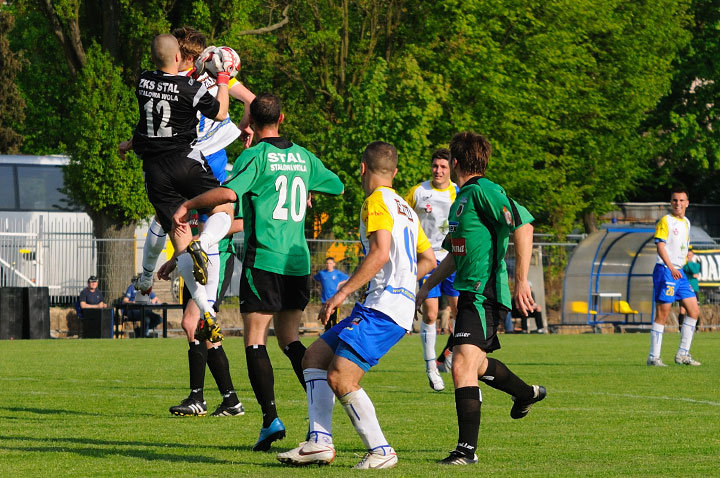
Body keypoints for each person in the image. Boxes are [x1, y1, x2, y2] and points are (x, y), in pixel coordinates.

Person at [172, 93, 344, 451]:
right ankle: (320, 420)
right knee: (291, 341)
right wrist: (307, 185)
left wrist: (189, 204)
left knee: (255, 341)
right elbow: (337, 185)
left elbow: (228, 194)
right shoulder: (303, 156)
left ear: (251, 122)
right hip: (297, 264)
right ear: (282, 119)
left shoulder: (254, 156)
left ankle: (270, 419)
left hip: (264, 259)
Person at [276, 141, 436, 469]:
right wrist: (406, 285)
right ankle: (318, 442)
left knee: (342, 378)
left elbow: (379, 252)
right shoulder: (404, 207)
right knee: (315, 357)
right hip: (386, 304)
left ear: (363, 168)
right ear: (394, 172)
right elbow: (429, 258)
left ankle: (381, 450)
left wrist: (340, 293)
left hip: (383, 307)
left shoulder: (376, 201)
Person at [416, 131, 546, 465]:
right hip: (469, 291)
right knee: (474, 364)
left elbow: (523, 226)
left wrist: (521, 281)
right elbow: (454, 254)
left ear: (456, 162)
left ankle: (465, 451)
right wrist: (427, 285)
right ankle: (525, 393)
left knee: (460, 366)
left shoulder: (485, 190)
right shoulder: (462, 200)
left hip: (483, 292)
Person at [118, 34, 236, 349]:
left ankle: (206, 311)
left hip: (155, 172)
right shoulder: (191, 88)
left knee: (179, 237)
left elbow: (151, 114)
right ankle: (207, 242)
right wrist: (222, 78)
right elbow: (221, 112)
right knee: (225, 205)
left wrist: (129, 143)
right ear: (176, 58)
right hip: (186, 163)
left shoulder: (142, 81)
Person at [405, 148, 460, 392]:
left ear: (451, 169)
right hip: (428, 258)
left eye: (443, 167)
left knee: (460, 310)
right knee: (430, 313)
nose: (438, 171)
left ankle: (450, 354)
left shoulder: (458, 192)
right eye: (435, 166)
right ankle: (431, 369)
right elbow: (402, 216)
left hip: (453, 257)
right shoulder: (418, 192)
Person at [648, 188, 701, 366]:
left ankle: (682, 355)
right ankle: (653, 357)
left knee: (694, 311)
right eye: (674, 200)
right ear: (670, 203)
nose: (677, 204)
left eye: (681, 200)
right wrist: (671, 267)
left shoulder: (686, 222)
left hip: (680, 273)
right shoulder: (666, 221)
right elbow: (660, 246)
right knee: (662, 314)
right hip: (666, 270)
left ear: (687, 203)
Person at [313, 257, 349, 331]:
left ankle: (336, 337)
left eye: (330, 263)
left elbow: (347, 278)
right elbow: (315, 278)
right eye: (327, 263)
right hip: (325, 300)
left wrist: (339, 283)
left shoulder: (337, 273)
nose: (328, 265)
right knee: (326, 320)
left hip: (335, 301)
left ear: (334, 264)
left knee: (335, 320)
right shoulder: (322, 273)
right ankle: (326, 339)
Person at [679, 247, 701, 323]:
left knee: (695, 309)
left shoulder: (696, 265)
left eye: (690, 255)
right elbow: (683, 272)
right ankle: (680, 328)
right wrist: (692, 275)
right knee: (682, 309)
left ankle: (697, 328)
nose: (688, 256)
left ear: (693, 255)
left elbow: (694, 271)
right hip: (685, 288)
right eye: (687, 255)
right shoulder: (683, 265)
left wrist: (689, 263)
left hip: (694, 288)